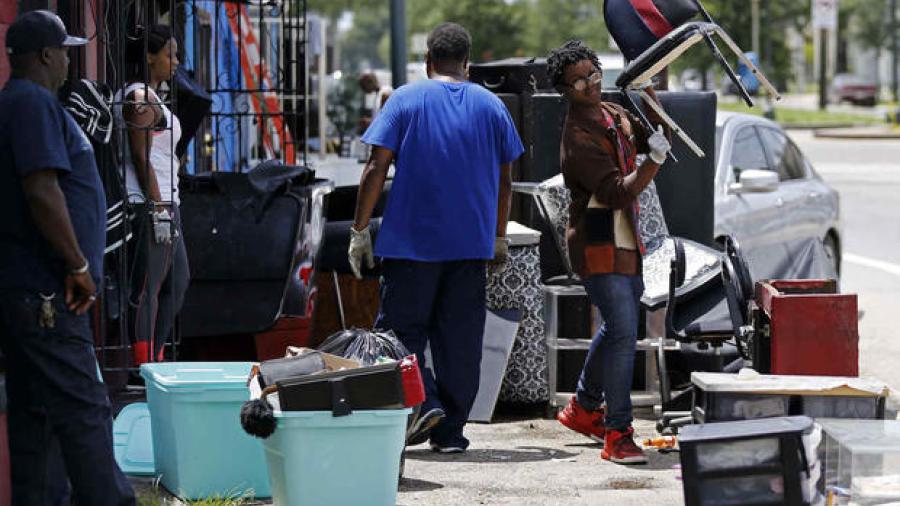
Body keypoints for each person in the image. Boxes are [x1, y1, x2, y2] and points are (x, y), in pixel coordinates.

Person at [348, 22, 524, 453]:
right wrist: (498, 237)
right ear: (468, 63)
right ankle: (450, 433)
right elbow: (507, 182)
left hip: (410, 245)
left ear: (428, 60)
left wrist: (358, 231)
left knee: (399, 333)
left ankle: (424, 402)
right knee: (461, 340)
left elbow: (375, 166)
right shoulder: (493, 107)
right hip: (470, 247)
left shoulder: (404, 100)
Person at [0, 10, 135, 504]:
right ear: (44, 55)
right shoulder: (33, 104)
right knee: (83, 409)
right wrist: (78, 265)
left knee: (35, 415)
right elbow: (42, 189)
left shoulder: (17, 103)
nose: (68, 60)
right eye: (64, 51)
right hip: (49, 290)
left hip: (27, 287)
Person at [547, 40, 671, 464]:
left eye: (594, 74)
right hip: (599, 236)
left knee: (618, 327)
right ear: (565, 89)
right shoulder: (578, 136)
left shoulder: (613, 113)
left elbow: (656, 135)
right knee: (623, 330)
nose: (589, 84)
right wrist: (653, 161)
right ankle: (617, 433)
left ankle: (583, 408)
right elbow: (618, 191)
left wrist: (651, 92)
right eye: (578, 80)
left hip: (624, 233)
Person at [116, 24, 189, 365]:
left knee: (178, 282)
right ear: (149, 56)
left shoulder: (152, 96)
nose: (175, 61)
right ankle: (144, 367)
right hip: (150, 205)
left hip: (167, 202)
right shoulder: (139, 97)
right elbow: (140, 157)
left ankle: (155, 358)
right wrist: (159, 208)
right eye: (169, 54)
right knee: (148, 290)